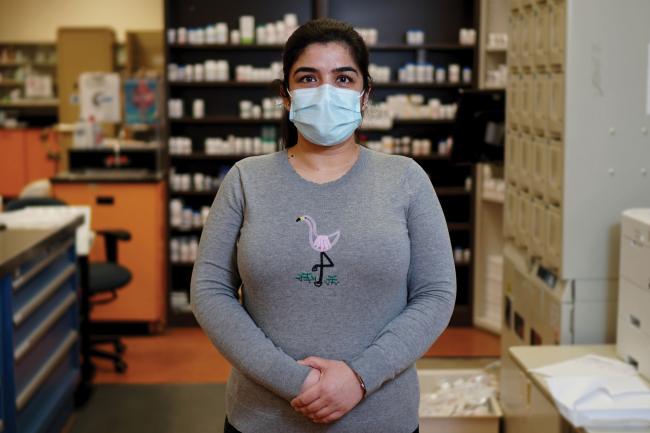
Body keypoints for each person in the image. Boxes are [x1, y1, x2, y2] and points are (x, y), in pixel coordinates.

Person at [191, 18, 456, 433]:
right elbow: (209, 291)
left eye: (343, 77)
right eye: (309, 78)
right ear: (286, 94)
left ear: (365, 95)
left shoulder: (405, 179)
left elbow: (436, 293)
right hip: (263, 420)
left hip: (381, 419)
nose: (326, 91)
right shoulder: (246, 179)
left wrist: (359, 377)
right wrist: (295, 381)